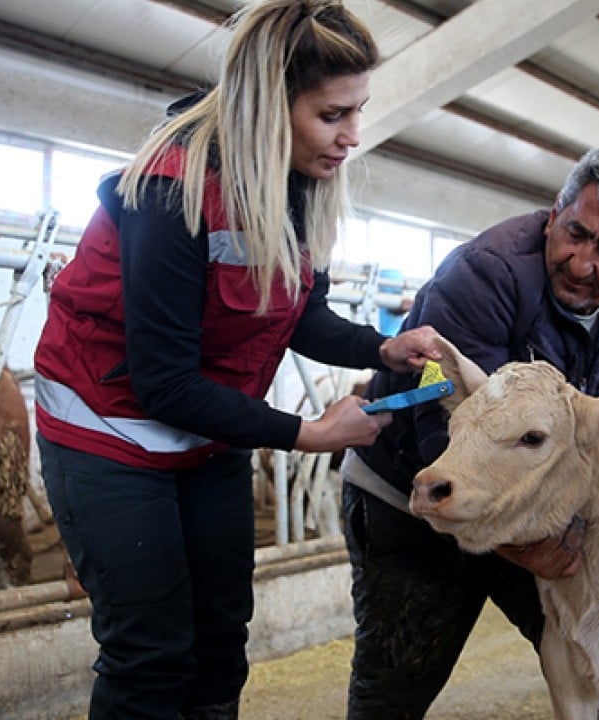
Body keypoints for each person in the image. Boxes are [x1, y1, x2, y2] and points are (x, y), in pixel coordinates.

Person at [31, 3, 441, 719]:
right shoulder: (172, 188)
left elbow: (299, 313)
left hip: (209, 431)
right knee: (151, 651)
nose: (352, 136)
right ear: (268, 104)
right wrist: (307, 433)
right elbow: (163, 383)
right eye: (332, 115)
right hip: (109, 428)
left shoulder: (299, 184)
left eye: (358, 111)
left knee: (220, 643)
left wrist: (379, 347)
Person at [340, 147, 599, 720]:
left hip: (544, 515)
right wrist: (519, 544)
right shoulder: (481, 274)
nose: (581, 263)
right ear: (554, 212)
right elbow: (439, 413)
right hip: (415, 493)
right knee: (398, 682)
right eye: (575, 233)